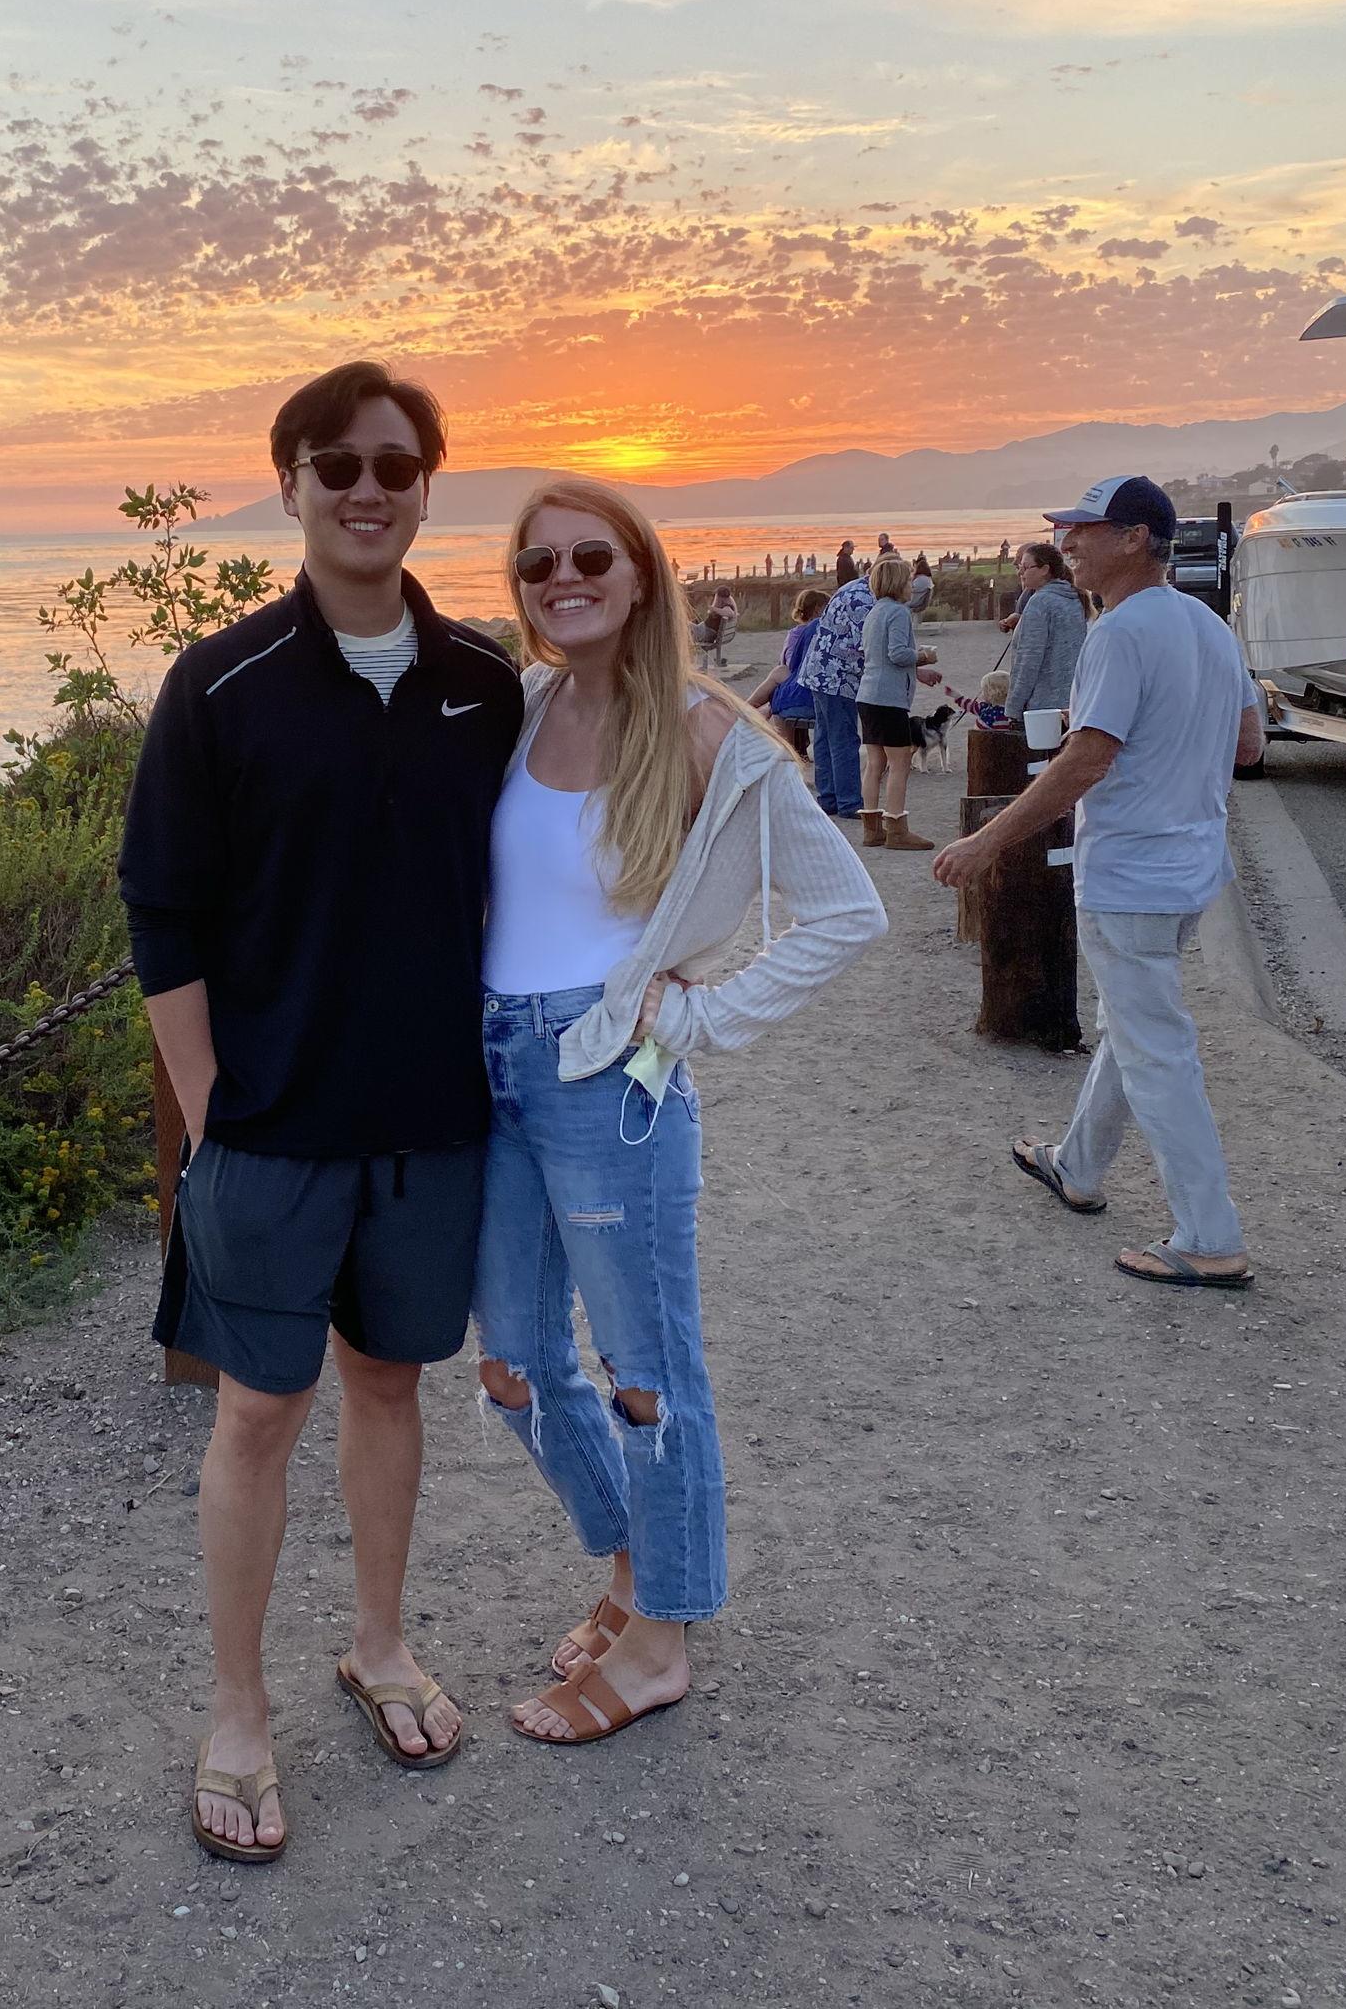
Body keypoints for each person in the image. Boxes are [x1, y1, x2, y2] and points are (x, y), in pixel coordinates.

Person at [118, 361, 524, 1863]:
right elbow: (163, 911)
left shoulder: (483, 683)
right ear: (288, 483)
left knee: (390, 1384)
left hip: (430, 1122)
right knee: (255, 1410)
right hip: (270, 1131)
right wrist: (211, 1106)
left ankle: (379, 1642)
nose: (367, 489)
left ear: (426, 488)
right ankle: (237, 1708)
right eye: (336, 464)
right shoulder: (219, 684)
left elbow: (552, 860)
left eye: (395, 465)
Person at [474, 475, 885, 1745]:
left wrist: (702, 1018)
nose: (563, 578)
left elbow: (845, 910)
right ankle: (629, 1566)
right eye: (537, 563)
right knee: (510, 1365)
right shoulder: (521, 707)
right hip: (490, 1066)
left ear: (642, 572)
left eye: (589, 556)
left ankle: (661, 1634)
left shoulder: (710, 735)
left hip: (610, 1083)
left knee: (646, 1373)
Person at [931, 476, 1264, 1291]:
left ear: (1137, 538)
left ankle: (1210, 1235)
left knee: (1157, 1049)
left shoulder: (1117, 633)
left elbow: (1087, 758)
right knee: (1134, 1022)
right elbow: (1249, 744)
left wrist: (987, 840)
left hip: (1132, 873)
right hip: (1191, 868)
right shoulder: (1209, 625)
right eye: (1064, 529)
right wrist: (1175, 760)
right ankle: (1077, 1163)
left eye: (1085, 528)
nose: (1067, 541)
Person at [855, 550, 943, 849]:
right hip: (888, 697)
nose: (911, 586)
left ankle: (871, 829)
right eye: (908, 581)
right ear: (897, 584)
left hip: (868, 695)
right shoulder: (898, 612)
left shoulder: (874, 612)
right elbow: (897, 654)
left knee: (875, 762)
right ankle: (896, 828)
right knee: (900, 760)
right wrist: (923, 656)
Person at [798, 568, 872, 817]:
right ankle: (849, 802)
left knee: (824, 736)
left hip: (818, 670)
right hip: (838, 676)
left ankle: (828, 797)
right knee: (844, 739)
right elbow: (867, 644)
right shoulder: (865, 600)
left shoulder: (850, 588)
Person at [1005, 541, 1088, 717]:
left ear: (1044, 569)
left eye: (1026, 567)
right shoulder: (1074, 598)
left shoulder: (1040, 602)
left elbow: (1029, 660)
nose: (1020, 572)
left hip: (1043, 707)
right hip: (1074, 700)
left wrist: (1013, 708)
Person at [746, 586, 827, 756]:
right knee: (778, 677)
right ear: (818, 609)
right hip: (813, 687)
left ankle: (749, 708)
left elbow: (790, 663)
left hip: (804, 687)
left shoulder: (798, 632)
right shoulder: (820, 631)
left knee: (779, 675)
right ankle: (754, 708)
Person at [690, 581, 739, 670]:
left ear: (720, 597)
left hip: (705, 633)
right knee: (688, 625)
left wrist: (714, 609)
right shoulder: (725, 605)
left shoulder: (727, 606)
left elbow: (730, 613)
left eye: (717, 596)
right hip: (704, 631)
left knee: (683, 624)